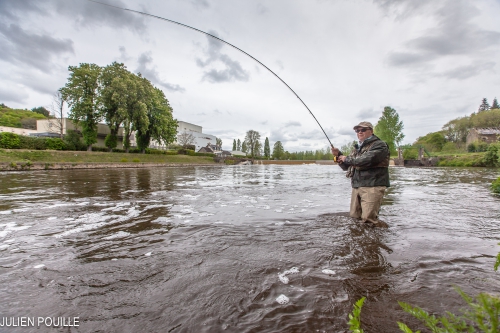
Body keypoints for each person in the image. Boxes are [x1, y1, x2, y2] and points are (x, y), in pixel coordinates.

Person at [332, 121, 390, 227]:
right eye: (357, 130)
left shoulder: (380, 145)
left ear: (371, 131)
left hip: (373, 185)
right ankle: (360, 241)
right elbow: (347, 167)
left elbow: (364, 160)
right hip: (357, 186)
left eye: (363, 130)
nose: (360, 132)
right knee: (355, 218)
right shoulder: (357, 148)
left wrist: (346, 158)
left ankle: (376, 241)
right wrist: (339, 156)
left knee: (369, 220)